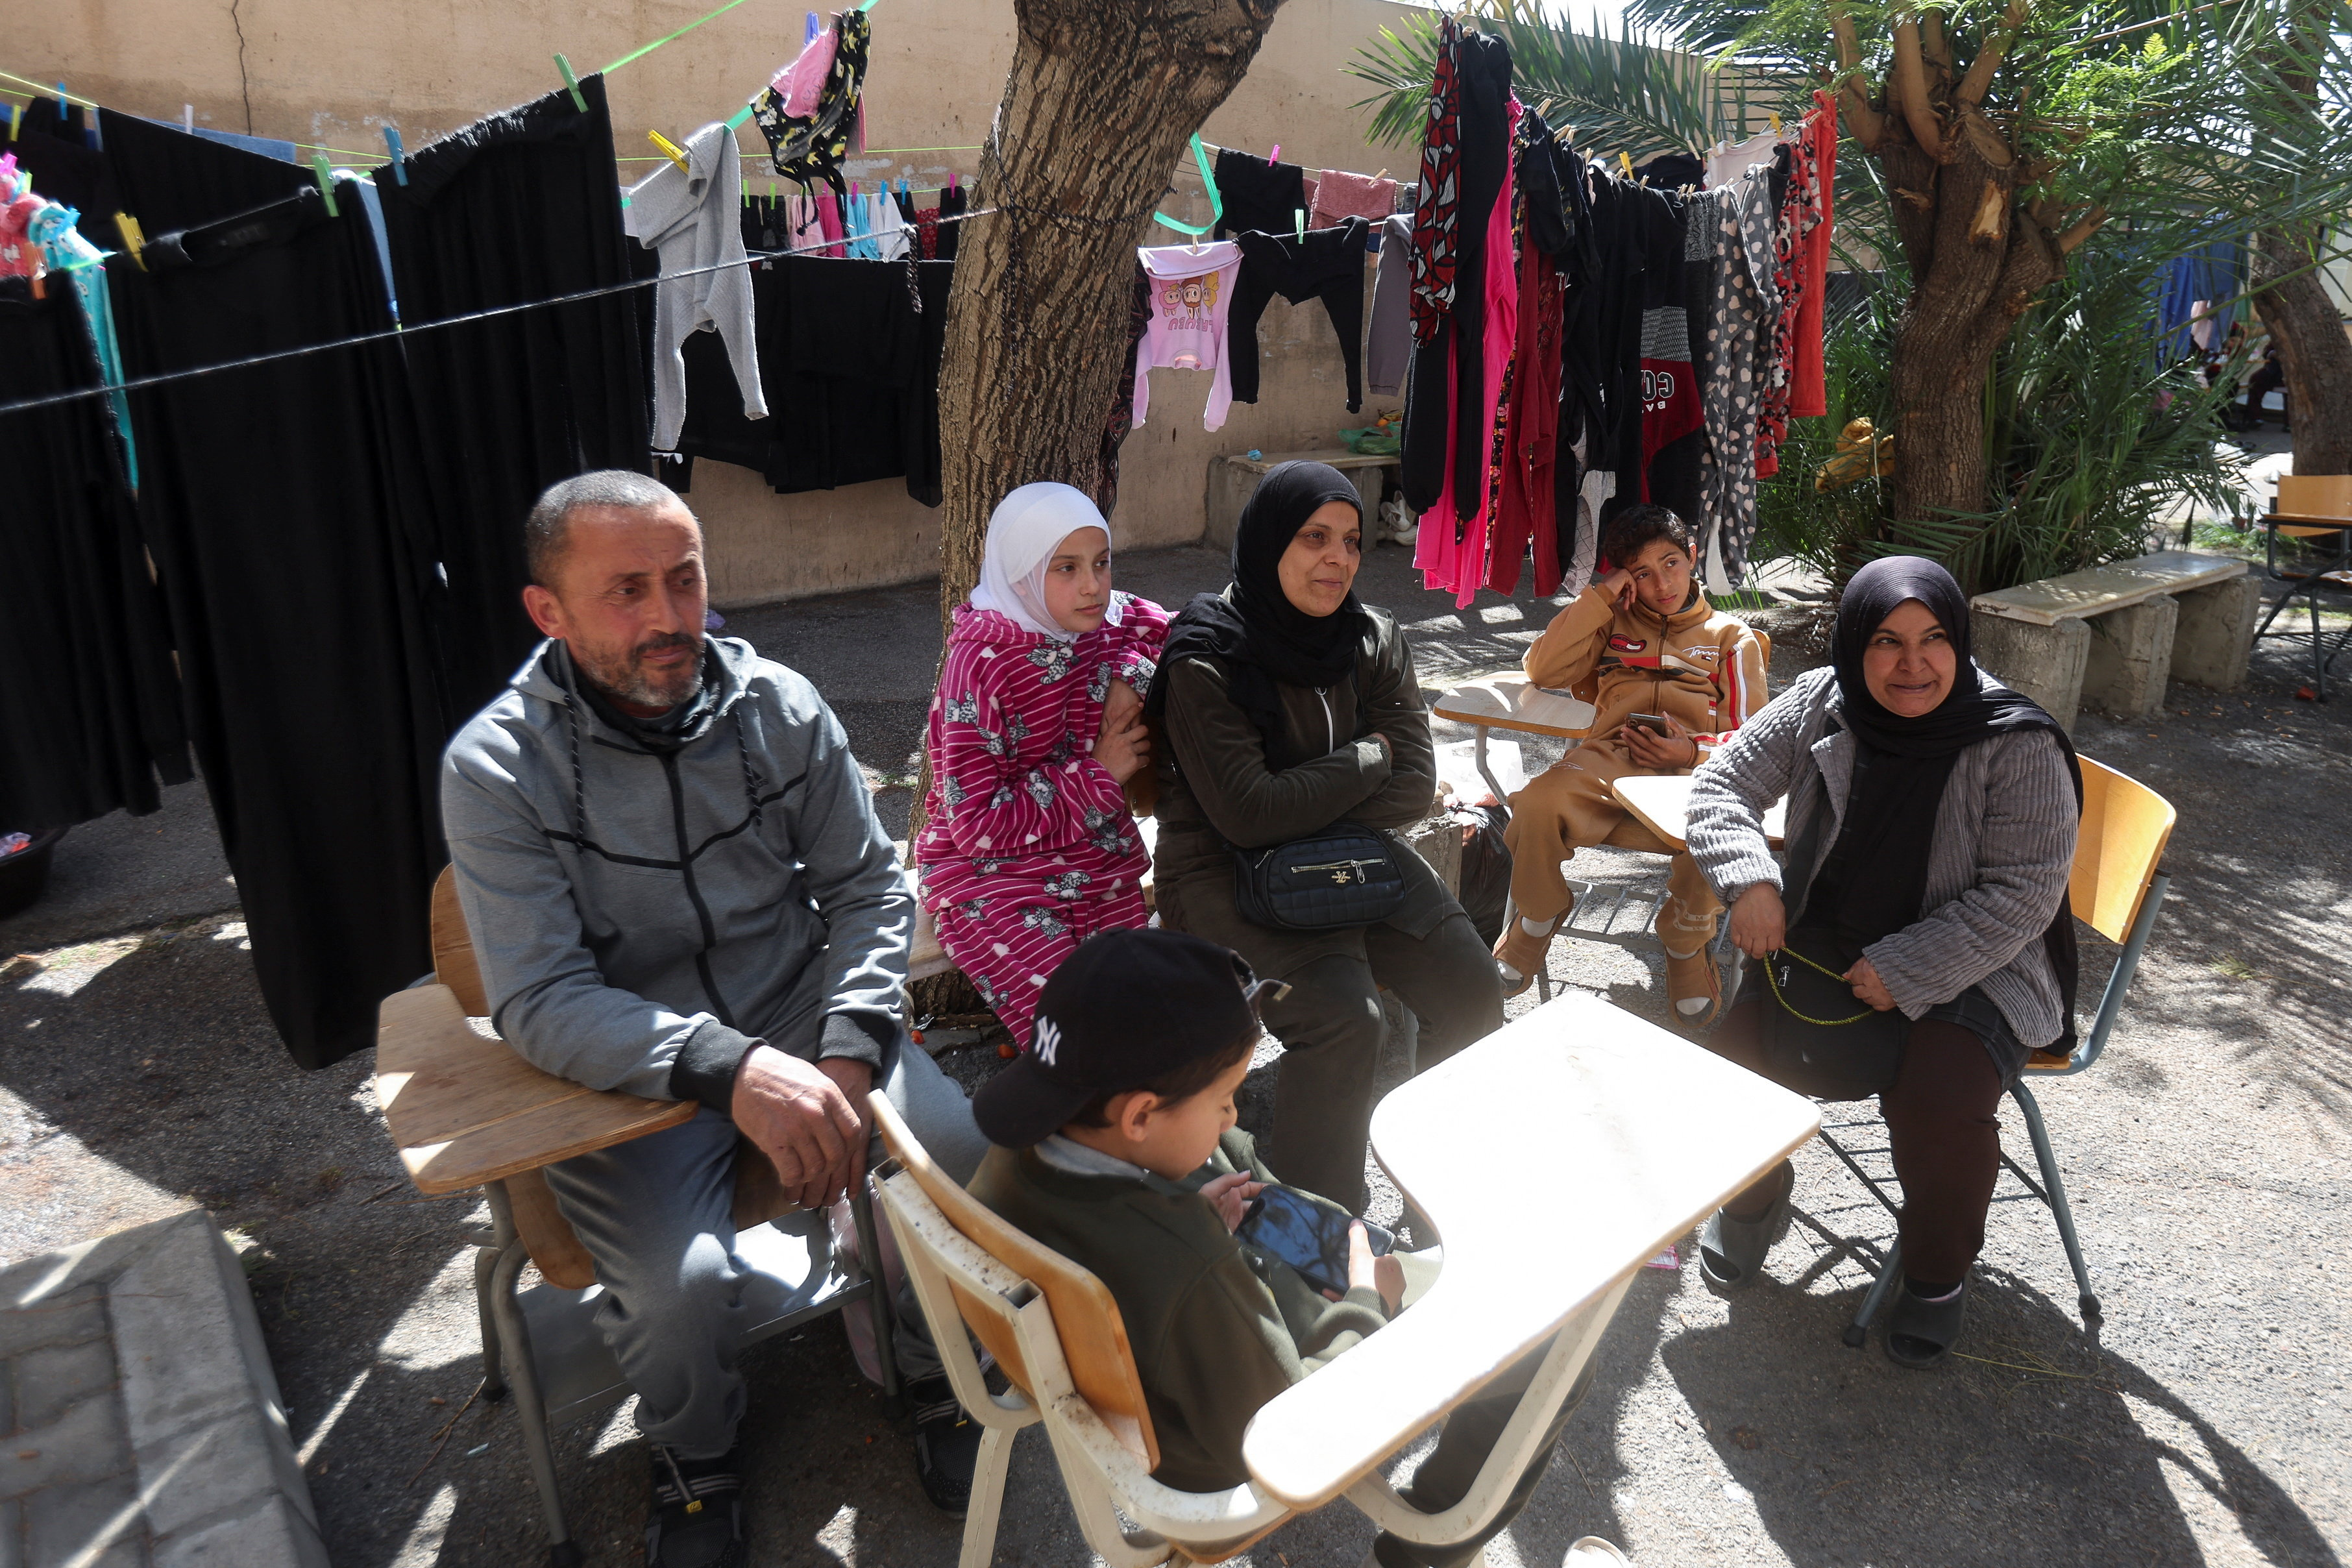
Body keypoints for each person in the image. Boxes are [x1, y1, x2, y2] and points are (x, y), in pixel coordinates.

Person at [440, 471, 994, 1566]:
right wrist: (731, 1071)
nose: (666, 619)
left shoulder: (776, 703)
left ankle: (936, 1369)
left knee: (965, 1156)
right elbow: (541, 998)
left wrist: (845, 1048)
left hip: (796, 1003)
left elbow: (869, 890)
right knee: (678, 1289)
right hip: (629, 1059)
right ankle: (695, 1452)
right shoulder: (497, 766)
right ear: (546, 612)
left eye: (683, 581)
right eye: (627, 591)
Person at [965, 928, 1622, 1568]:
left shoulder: (1015, 1151)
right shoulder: (1190, 1267)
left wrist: (1190, 1223)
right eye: (1225, 1100)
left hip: (1150, 1380)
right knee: (1554, 1348)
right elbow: (1293, 1439)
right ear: (1138, 1116)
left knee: (1353, 1242)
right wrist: (1368, 1296)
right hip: (1221, 1463)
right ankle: (1422, 1559)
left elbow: (1152, 1261)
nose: (1233, 1119)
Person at [1682, 556, 2081, 1368]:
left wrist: (1907, 967)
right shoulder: (1824, 700)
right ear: (1854, 643)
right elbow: (1720, 784)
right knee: (1726, 1072)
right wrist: (1752, 878)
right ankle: (1756, 1201)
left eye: (1935, 639)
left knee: (1936, 1102)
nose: (1914, 663)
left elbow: (2022, 896)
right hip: (1830, 936)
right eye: (1888, 641)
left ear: (1958, 642)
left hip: (1979, 964)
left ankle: (1936, 1278)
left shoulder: (2016, 739)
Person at [1145, 460, 1505, 1215]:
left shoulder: (1371, 638)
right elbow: (1245, 814)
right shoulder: (1208, 655)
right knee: (1346, 1021)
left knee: (1473, 988)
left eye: (1350, 540)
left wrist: (1301, 800)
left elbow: (1413, 788)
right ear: (1270, 540)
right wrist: (1366, 756)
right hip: (1221, 872)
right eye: (1315, 538)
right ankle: (1314, 1232)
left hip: (1353, 857)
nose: (1339, 559)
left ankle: (1438, 1188)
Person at [914, 482, 1169, 1048]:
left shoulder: (1099, 619)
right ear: (1022, 576)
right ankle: (1060, 1130)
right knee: (1076, 1042)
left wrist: (1131, 675)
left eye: (1102, 563)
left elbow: (1176, 630)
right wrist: (1098, 776)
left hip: (1094, 860)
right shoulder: (981, 665)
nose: (1093, 585)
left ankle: (1153, 1133)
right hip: (995, 883)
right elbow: (976, 825)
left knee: (1146, 1023)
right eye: (1066, 568)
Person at [1490, 505, 1769, 1022]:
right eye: (1642, 573)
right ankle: (1538, 915)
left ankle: (1685, 945)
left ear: (1691, 557)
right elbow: (1542, 668)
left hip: (1697, 774)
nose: (1663, 583)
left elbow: (1754, 742)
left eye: (1670, 563)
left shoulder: (1733, 639)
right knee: (1535, 802)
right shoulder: (1609, 621)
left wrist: (1691, 751)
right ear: (1626, 581)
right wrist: (1599, 598)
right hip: (1608, 764)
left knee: (1719, 828)